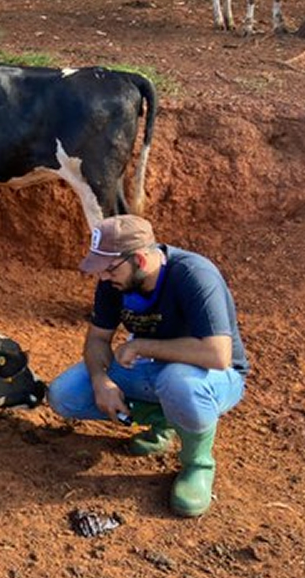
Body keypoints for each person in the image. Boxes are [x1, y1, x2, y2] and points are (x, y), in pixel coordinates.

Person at [48, 214, 248, 517]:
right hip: (152, 372)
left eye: (108, 269)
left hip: (214, 376)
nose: (103, 278)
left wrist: (141, 345)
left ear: (140, 260)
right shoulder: (113, 281)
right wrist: (102, 380)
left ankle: (198, 464)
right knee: (65, 394)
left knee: (177, 382)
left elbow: (218, 354)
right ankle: (164, 421)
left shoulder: (194, 275)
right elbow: (97, 340)